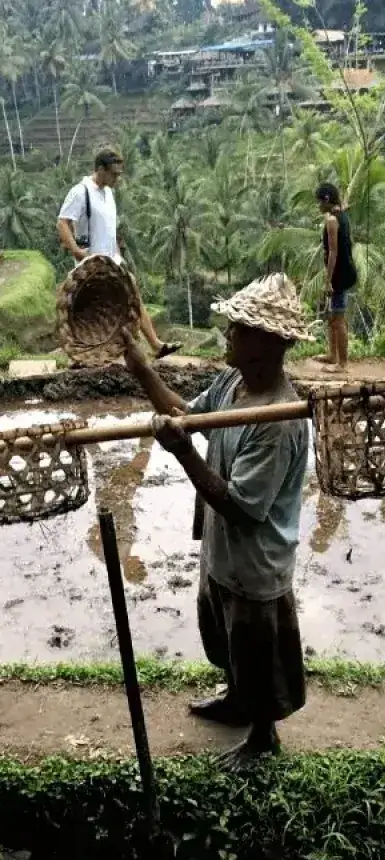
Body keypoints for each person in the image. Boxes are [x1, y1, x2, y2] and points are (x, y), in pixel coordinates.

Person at [121, 273, 312, 767]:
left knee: (254, 647)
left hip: (255, 558)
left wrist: (183, 453)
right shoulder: (233, 382)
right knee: (225, 632)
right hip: (222, 549)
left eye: (238, 328)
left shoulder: (277, 419)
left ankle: (262, 738)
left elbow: (242, 509)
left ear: (268, 343)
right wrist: (140, 368)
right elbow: (186, 414)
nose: (227, 334)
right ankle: (235, 701)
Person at [57, 148, 180, 361]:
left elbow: (108, 227)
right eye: (114, 173)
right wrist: (76, 250)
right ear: (100, 169)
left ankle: (154, 344)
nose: (118, 178)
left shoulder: (109, 194)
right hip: (91, 265)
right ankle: (85, 357)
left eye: (119, 173)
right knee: (94, 313)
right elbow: (62, 222)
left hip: (112, 261)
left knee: (132, 300)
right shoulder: (81, 192)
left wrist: (117, 253)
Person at [314, 183, 357, 374]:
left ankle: (343, 363)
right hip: (345, 270)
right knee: (332, 317)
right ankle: (333, 355)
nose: (318, 207)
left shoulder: (332, 220)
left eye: (319, 202)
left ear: (326, 200)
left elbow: (333, 252)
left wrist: (328, 280)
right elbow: (343, 204)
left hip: (339, 273)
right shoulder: (342, 214)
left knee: (338, 320)